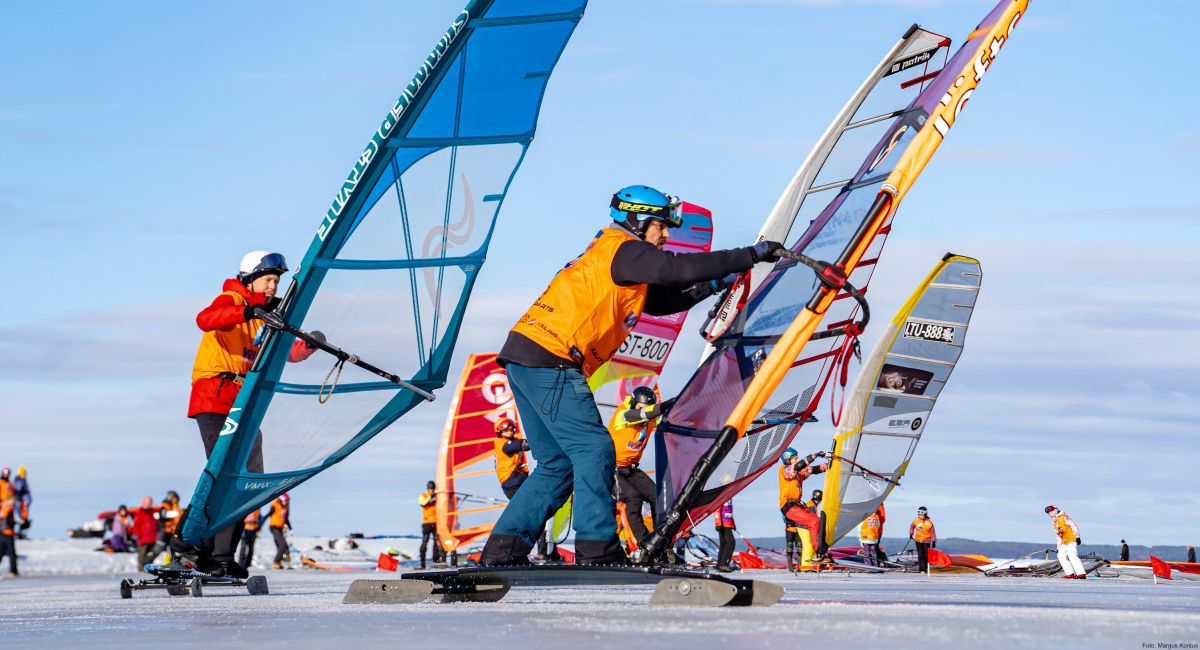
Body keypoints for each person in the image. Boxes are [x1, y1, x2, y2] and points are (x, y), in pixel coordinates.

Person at [480, 185, 785, 566]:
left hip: (526, 356)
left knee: (558, 463)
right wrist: (748, 256)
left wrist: (714, 285)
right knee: (594, 448)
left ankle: (502, 551)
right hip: (552, 358)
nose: (667, 235)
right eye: (661, 226)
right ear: (639, 221)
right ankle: (598, 549)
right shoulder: (625, 248)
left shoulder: (617, 256)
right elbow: (677, 270)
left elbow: (660, 301)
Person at [178, 251, 322, 578]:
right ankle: (186, 547)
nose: (273, 286)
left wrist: (310, 344)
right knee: (222, 473)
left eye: (276, 281)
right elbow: (206, 320)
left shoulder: (264, 316)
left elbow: (287, 351)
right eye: (268, 279)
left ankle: (222, 557)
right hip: (214, 396)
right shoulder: (230, 298)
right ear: (250, 278)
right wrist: (249, 309)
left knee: (248, 477)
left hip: (243, 403)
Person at [610, 386, 670, 548]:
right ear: (634, 404)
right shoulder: (622, 414)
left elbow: (669, 418)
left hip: (630, 469)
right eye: (641, 407)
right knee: (633, 497)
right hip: (611, 469)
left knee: (658, 497)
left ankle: (660, 541)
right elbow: (642, 414)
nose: (645, 411)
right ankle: (645, 543)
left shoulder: (651, 419)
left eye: (648, 408)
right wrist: (663, 406)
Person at [778, 448, 829, 570]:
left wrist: (831, 464)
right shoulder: (785, 469)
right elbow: (798, 466)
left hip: (797, 506)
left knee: (821, 522)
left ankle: (822, 553)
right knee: (814, 523)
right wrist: (815, 455)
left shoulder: (799, 472)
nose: (797, 460)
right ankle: (818, 553)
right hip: (788, 506)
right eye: (795, 458)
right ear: (788, 460)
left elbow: (815, 469)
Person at [1045, 505, 1085, 579]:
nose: (1051, 513)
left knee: (1072, 555)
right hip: (1065, 541)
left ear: (1056, 509)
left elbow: (1074, 526)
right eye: (1049, 512)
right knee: (1061, 556)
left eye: (1051, 511)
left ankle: (1081, 573)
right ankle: (1070, 573)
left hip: (1072, 538)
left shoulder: (1064, 517)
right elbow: (1058, 537)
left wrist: (1077, 537)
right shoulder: (1055, 523)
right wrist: (1058, 547)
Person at [148, 491, 182, 563]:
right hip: (164, 531)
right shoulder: (165, 506)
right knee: (158, 548)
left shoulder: (174, 506)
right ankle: (145, 563)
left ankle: (171, 563)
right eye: (174, 499)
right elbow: (162, 518)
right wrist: (171, 518)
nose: (175, 500)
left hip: (171, 532)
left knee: (172, 548)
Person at [418, 481, 444, 569]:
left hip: (436, 523)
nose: (432, 491)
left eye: (433, 489)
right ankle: (422, 562)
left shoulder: (437, 497)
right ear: (428, 489)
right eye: (430, 489)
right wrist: (430, 497)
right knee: (425, 542)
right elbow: (422, 503)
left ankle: (436, 560)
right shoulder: (423, 496)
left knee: (437, 541)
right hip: (426, 523)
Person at [263, 494, 291, 569]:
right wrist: (260, 526)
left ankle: (279, 562)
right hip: (274, 527)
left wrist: (291, 529)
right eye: (285, 501)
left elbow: (286, 520)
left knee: (280, 546)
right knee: (282, 544)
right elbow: (267, 515)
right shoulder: (276, 505)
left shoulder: (286, 508)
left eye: (288, 501)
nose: (287, 502)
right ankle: (276, 562)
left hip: (281, 528)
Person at [133, 497, 160, 571]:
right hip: (142, 538)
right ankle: (141, 568)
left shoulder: (153, 512)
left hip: (152, 538)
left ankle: (149, 568)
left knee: (150, 555)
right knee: (142, 554)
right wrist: (136, 534)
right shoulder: (140, 512)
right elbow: (136, 525)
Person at [909, 506, 937, 574]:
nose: (920, 516)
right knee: (920, 555)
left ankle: (925, 567)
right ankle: (922, 569)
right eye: (919, 515)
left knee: (926, 555)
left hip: (926, 541)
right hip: (918, 540)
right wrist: (911, 534)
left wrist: (933, 541)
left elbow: (932, 532)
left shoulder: (929, 523)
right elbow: (912, 526)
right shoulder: (916, 520)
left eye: (922, 515)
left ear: (925, 514)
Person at [713, 500, 736, 573]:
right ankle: (724, 564)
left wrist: (733, 523)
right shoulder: (724, 494)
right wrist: (718, 523)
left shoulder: (730, 496)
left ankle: (720, 564)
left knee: (724, 543)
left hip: (727, 522)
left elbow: (729, 511)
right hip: (723, 523)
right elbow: (716, 509)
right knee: (731, 542)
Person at [0, 494, 18, 577]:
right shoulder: (9, 508)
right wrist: (17, 522)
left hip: (1, 533)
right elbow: (8, 522)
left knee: (1, 553)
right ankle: (13, 571)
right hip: (8, 533)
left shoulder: (3, 507)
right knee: (12, 553)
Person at [12, 467, 30, 538]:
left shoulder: (23, 481)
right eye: (23, 473)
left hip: (23, 503)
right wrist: (21, 501)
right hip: (20, 503)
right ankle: (19, 534)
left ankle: (21, 533)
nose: (24, 475)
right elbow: (18, 492)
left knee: (24, 518)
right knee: (21, 519)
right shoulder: (19, 482)